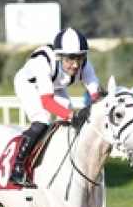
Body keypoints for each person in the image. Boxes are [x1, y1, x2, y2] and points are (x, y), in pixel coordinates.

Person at [9, 27, 101, 188]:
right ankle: (17, 166)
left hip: (54, 86)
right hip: (29, 85)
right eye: (70, 59)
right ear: (59, 56)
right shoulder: (44, 62)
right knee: (42, 119)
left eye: (80, 58)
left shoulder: (86, 65)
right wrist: (73, 115)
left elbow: (96, 97)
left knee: (68, 115)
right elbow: (47, 102)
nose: (75, 65)